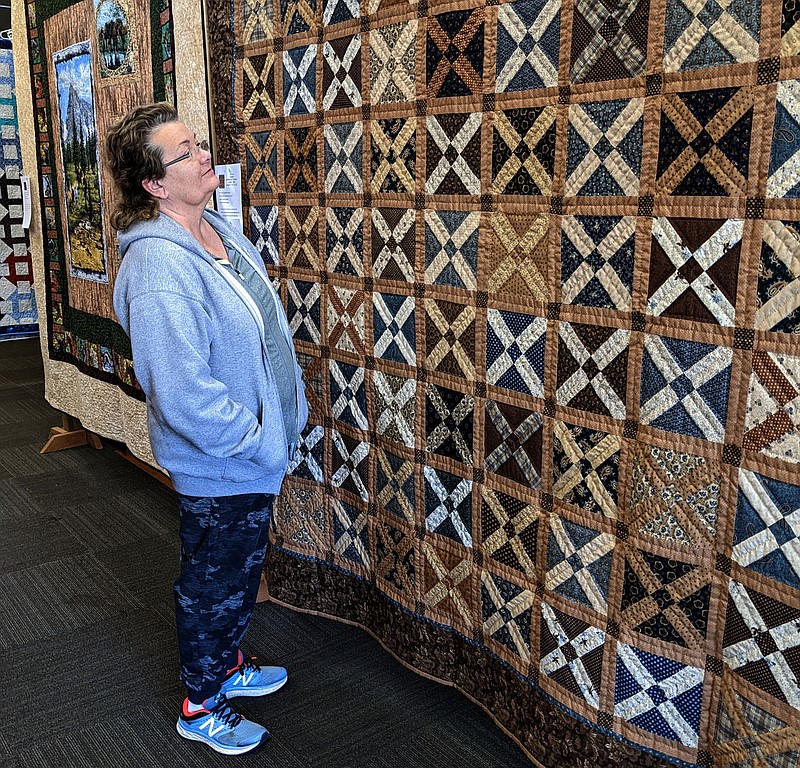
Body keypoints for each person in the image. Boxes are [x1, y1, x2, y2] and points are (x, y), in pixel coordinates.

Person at [106, 102, 308, 755]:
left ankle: (225, 666)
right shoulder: (159, 268)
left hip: (247, 456)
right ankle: (201, 702)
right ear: (155, 184)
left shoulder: (213, 227)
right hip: (224, 461)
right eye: (185, 152)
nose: (203, 156)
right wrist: (253, 445)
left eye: (198, 143)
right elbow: (184, 393)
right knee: (215, 582)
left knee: (235, 572)